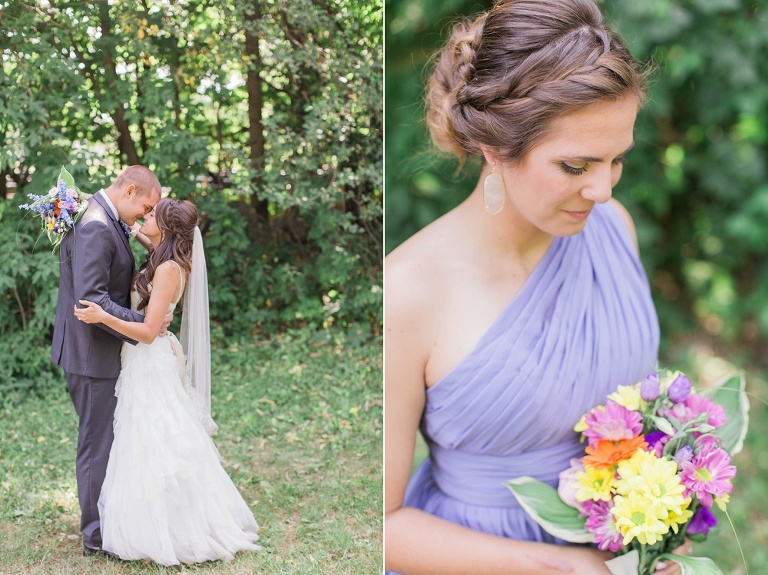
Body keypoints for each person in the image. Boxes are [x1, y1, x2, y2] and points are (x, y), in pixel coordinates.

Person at [384, 1, 690, 573]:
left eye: (617, 159)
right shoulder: (408, 293)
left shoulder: (614, 230)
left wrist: (659, 522)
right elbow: (380, 524)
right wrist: (565, 568)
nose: (603, 190)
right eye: (577, 166)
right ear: (494, 148)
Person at [73, 198, 260, 565]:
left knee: (156, 440)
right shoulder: (161, 253)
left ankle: (172, 528)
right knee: (137, 441)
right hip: (139, 363)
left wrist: (101, 316)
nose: (144, 218)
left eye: (152, 216)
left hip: (149, 361)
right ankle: (139, 522)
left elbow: (145, 332)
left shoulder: (170, 270)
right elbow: (145, 236)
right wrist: (123, 224)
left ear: (168, 229)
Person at [52, 165, 163, 557]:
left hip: (94, 351)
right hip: (90, 355)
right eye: (146, 207)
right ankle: (95, 537)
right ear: (130, 190)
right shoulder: (96, 225)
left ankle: (106, 520)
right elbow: (92, 300)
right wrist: (146, 324)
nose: (146, 217)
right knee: (97, 445)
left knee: (105, 440)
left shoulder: (102, 215)